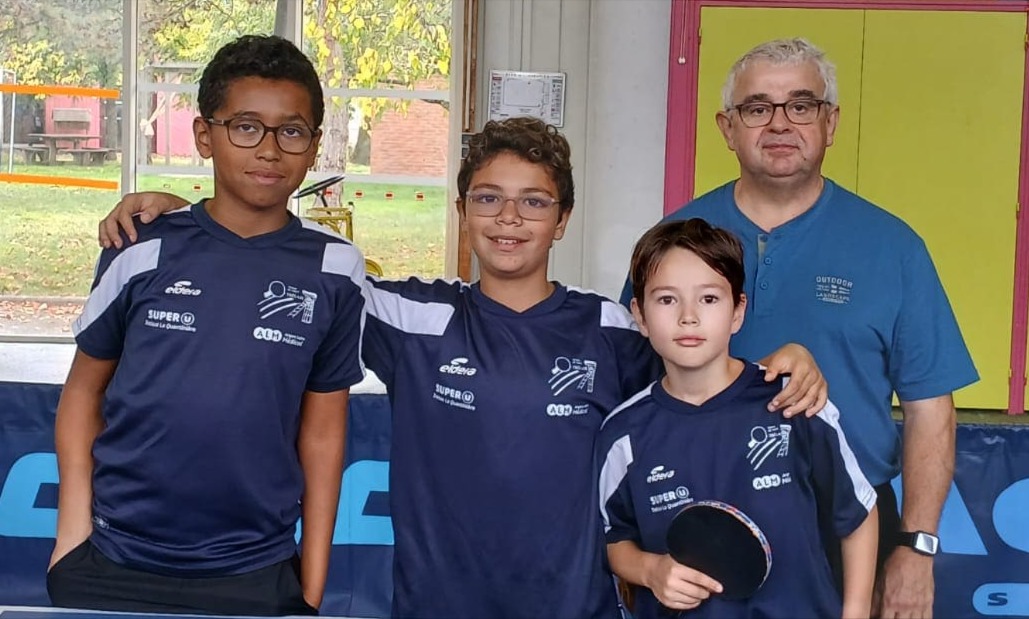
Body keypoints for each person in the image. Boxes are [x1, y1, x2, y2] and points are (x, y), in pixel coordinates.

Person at [97, 117, 827, 619]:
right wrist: (194, 213)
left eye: (533, 202)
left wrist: (787, 358)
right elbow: (287, 263)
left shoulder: (611, 329)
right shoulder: (410, 317)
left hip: (573, 605)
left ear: (562, 219)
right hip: (437, 603)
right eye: (489, 199)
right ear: (461, 211)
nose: (509, 219)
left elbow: (703, 367)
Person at [621, 38, 978, 617]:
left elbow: (929, 408)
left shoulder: (892, 248)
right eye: (757, 107)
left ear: (830, 123)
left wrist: (916, 548)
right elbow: (634, 383)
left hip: (845, 529)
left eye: (802, 105)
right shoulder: (675, 240)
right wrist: (637, 556)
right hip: (695, 526)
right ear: (727, 127)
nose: (780, 123)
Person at [47, 35, 366, 615]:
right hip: (112, 560)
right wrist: (71, 535)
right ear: (204, 136)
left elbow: (323, 433)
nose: (268, 149)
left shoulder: (336, 269)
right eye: (245, 127)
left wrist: (311, 586)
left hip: (255, 570)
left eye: (291, 131)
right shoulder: (139, 246)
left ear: (314, 145)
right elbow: (83, 391)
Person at [601, 218, 878, 618]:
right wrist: (650, 570)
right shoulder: (624, 433)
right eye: (667, 300)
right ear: (640, 316)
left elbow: (858, 514)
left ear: (737, 311)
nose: (689, 316)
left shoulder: (792, 401)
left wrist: (855, 613)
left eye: (709, 298)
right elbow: (614, 538)